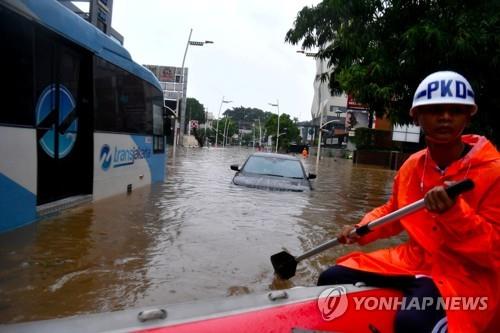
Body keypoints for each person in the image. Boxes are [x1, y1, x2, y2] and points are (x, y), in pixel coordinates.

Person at [317, 71, 500, 333]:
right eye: (435, 109)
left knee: (413, 322)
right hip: (416, 260)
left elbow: (494, 253)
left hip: (467, 275)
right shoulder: (413, 165)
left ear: (469, 115)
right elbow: (393, 211)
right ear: (417, 116)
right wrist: (361, 228)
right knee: (331, 278)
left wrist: (455, 213)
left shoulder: (494, 171)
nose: (445, 117)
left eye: (455, 110)